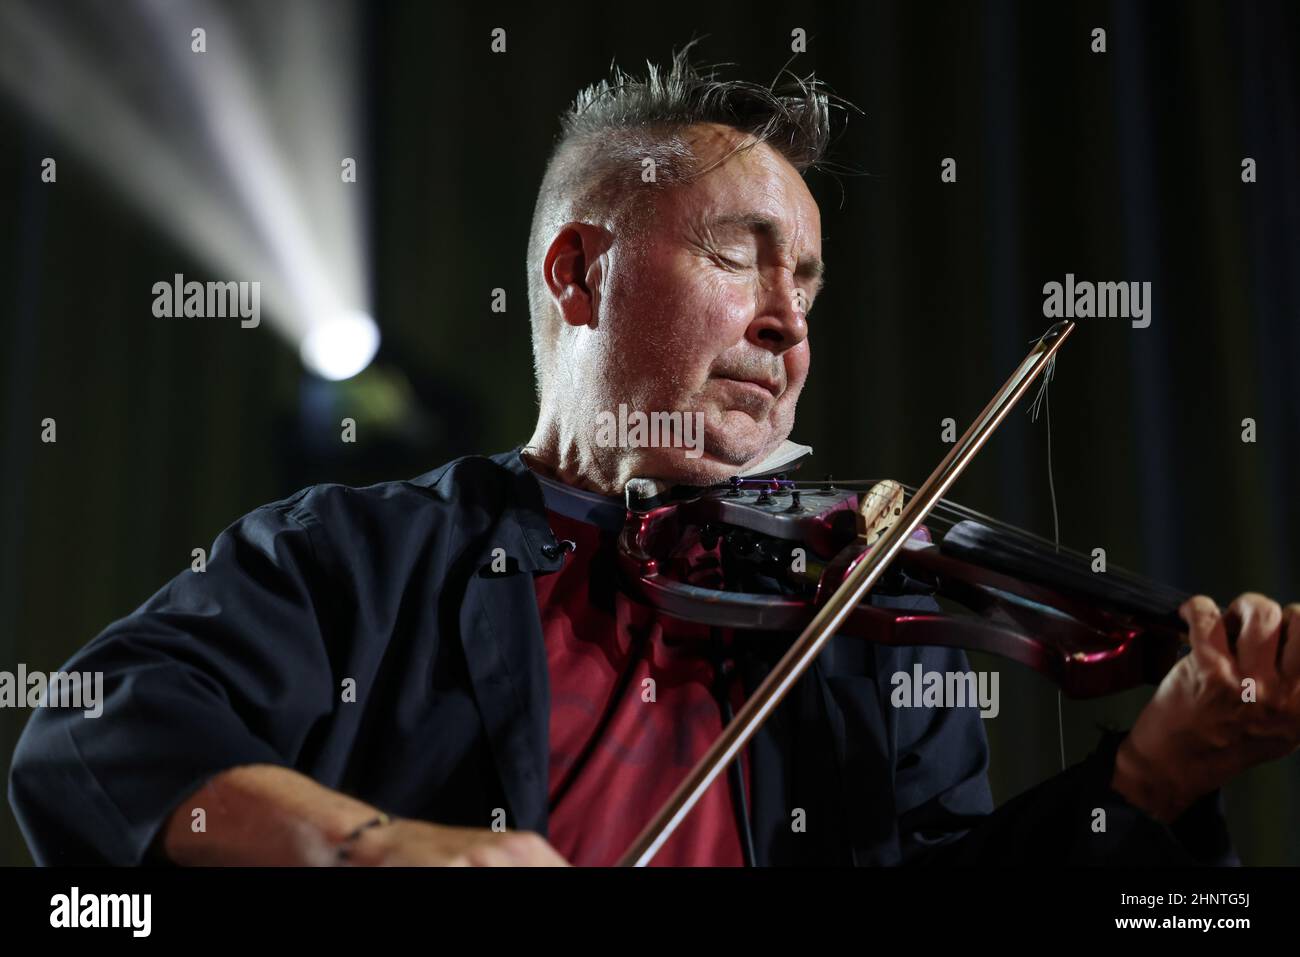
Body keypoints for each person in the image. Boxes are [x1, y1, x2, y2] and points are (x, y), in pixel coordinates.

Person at [10, 49, 1298, 867]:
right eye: (739, 256)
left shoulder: (857, 625)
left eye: (808, 282)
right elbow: (87, 738)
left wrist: (1157, 772)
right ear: (580, 274)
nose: (789, 322)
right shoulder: (354, 556)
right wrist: (371, 848)